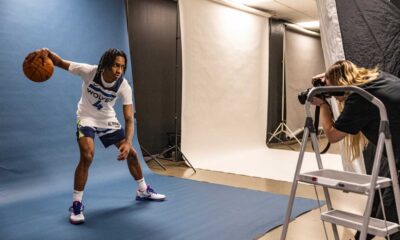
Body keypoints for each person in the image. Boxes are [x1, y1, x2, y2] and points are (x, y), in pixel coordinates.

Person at [35, 48, 166, 225]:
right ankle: (76, 203)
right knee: (87, 155)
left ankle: (143, 190)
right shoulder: (89, 71)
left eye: (122, 66)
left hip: (106, 119)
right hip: (86, 117)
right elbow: (60, 63)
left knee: (132, 154)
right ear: (106, 65)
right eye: (115, 65)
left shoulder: (123, 85)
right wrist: (46, 53)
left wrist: (127, 142)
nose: (119, 70)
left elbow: (129, 118)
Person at [311, 60, 400, 240]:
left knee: (391, 216)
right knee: (380, 198)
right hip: (397, 157)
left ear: (338, 86)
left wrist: (322, 105)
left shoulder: (359, 98)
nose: (334, 97)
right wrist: (330, 76)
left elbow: (332, 135)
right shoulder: (377, 78)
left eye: (332, 92)